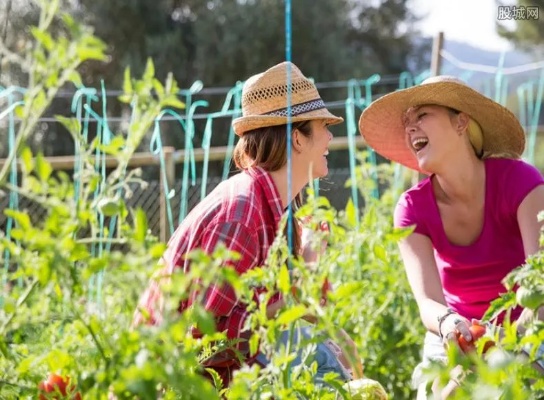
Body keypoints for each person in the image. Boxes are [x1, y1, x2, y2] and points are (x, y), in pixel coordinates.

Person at [132, 61, 362, 387]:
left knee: (315, 347)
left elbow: (261, 309)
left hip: (210, 379)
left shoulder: (274, 209)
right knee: (314, 358)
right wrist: (302, 301)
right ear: (297, 138)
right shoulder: (242, 214)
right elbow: (206, 339)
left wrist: (313, 297)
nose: (330, 135)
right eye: (323, 125)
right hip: (174, 385)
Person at [358, 75, 544, 398]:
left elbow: (540, 288)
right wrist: (449, 326)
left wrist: (502, 352)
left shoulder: (522, 184)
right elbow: (427, 302)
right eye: (407, 122)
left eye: (422, 116)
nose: (410, 128)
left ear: (461, 122)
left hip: (526, 330)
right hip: (455, 335)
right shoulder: (411, 209)